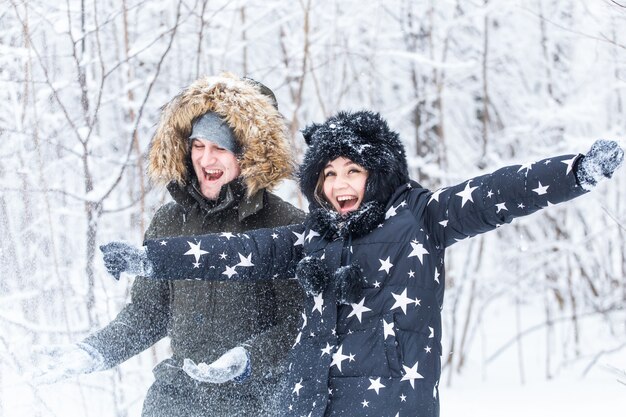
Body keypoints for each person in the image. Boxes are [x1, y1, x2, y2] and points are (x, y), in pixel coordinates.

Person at [101, 110, 623, 417]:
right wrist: (150, 259)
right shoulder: (313, 235)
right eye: (328, 174)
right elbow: (236, 252)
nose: (340, 184)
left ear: (378, 171)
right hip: (308, 405)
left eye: (353, 170)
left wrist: (577, 173)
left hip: (388, 406)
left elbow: (493, 194)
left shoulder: (422, 218)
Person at [34, 73, 306, 417]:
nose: (206, 160)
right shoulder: (168, 221)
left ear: (249, 155)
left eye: (220, 148)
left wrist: (246, 359)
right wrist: (94, 351)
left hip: (255, 400)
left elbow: (299, 324)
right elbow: (149, 313)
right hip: (177, 398)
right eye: (198, 146)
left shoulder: (285, 224)